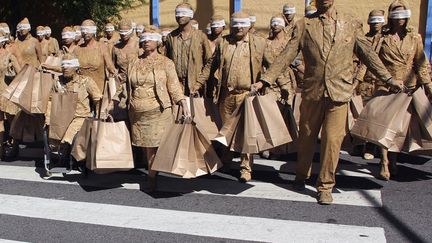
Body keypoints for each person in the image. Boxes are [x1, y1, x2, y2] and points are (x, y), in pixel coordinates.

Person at [260, 0, 400, 205]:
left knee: (332, 140)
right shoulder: (304, 25)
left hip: (339, 93)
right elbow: (286, 55)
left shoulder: (350, 23)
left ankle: (325, 185)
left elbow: (368, 54)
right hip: (312, 92)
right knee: (307, 136)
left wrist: (388, 79)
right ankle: (302, 174)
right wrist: (266, 79)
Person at [193, 11, 267, 183]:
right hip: (226, 95)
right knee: (226, 130)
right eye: (235, 23)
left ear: (249, 25)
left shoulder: (259, 43)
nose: (239, 27)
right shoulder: (224, 42)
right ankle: (227, 158)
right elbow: (211, 65)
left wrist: (271, 85)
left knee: (246, 133)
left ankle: (245, 168)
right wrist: (198, 83)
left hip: (246, 95)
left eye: (242, 23)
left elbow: (273, 66)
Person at [375, 0, 432, 180]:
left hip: (408, 88)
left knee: (399, 128)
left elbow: (421, 64)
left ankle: (394, 158)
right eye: (396, 15)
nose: (400, 20)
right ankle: (383, 160)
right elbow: (372, 61)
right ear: (390, 17)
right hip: (387, 86)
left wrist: (428, 85)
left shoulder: (415, 38)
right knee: (384, 125)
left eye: (403, 15)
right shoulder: (381, 38)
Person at [127, 27, 189, 191]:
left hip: (159, 110)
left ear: (158, 41)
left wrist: (182, 103)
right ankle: (152, 170)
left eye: (150, 38)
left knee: (154, 145)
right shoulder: (134, 61)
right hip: (138, 111)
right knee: (147, 146)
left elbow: (174, 86)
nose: (146, 41)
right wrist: (110, 102)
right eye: (144, 38)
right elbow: (125, 86)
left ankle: (152, 176)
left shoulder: (166, 63)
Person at [46, 54, 102, 151]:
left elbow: (98, 99)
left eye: (69, 65)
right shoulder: (57, 82)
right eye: (63, 65)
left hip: (80, 117)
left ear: (76, 67)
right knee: (53, 141)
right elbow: (50, 100)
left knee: (68, 137)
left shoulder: (86, 81)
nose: (65, 68)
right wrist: (48, 119)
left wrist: (98, 117)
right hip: (61, 118)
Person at [354, 9, 386, 161]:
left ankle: (376, 146)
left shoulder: (385, 39)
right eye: (373, 21)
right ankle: (363, 145)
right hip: (365, 82)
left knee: (380, 117)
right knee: (363, 115)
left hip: (381, 82)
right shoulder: (363, 39)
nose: (376, 24)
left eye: (378, 21)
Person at [165, 2, 212, 96]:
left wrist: (199, 82)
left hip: (196, 86)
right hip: (176, 85)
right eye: (177, 13)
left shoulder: (200, 36)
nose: (179, 16)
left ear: (190, 15)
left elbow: (209, 62)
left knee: (195, 110)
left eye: (183, 13)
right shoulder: (171, 37)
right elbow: (166, 61)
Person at [73, 19, 116, 92]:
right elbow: (72, 68)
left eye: (88, 30)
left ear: (94, 30)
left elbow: (110, 66)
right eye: (83, 30)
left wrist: (113, 73)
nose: (85, 32)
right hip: (82, 89)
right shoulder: (77, 49)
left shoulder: (102, 47)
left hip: (98, 89)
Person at [112, 20, 140, 122]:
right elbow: (113, 65)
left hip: (136, 84)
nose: (124, 35)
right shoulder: (116, 48)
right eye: (121, 32)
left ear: (131, 30)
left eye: (126, 32)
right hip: (121, 85)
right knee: (121, 115)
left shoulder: (138, 45)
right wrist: (115, 73)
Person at [0, 31, 21, 158]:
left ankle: (15, 145)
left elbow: (20, 73)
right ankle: (1, 149)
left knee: (12, 120)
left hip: (6, 91)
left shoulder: (9, 56)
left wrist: (11, 72)